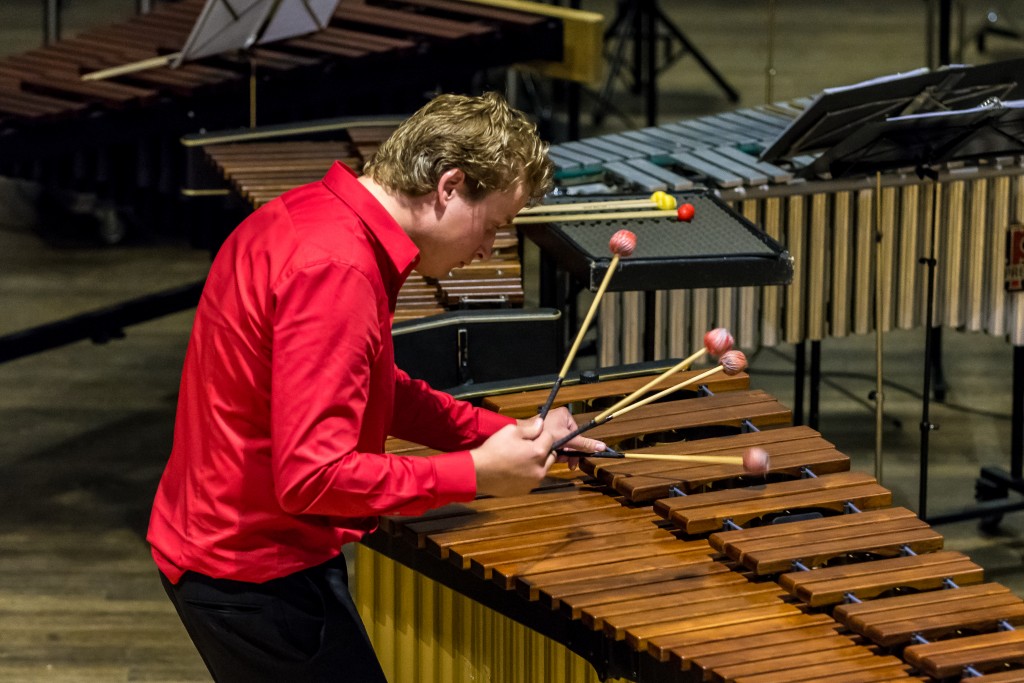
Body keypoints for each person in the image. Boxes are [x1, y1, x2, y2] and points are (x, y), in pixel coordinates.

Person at [147, 91, 604, 682]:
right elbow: (314, 477)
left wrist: (503, 432)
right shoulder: (335, 270)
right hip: (251, 570)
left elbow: (368, 384)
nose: (490, 247)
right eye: (493, 225)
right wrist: (475, 475)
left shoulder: (317, 216)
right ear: (448, 186)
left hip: (245, 547)